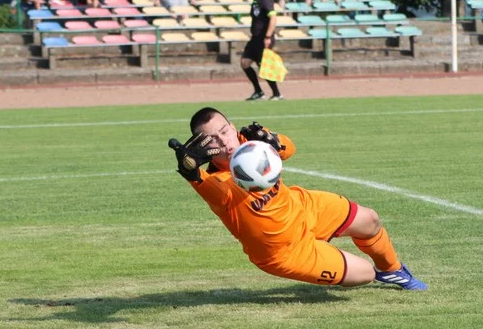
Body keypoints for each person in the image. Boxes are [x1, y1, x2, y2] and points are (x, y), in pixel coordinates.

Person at [168, 107, 427, 290]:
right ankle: (355, 266)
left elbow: (289, 149)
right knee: (366, 274)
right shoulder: (217, 181)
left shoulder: (250, 141)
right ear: (203, 146)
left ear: (233, 127)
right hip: (285, 252)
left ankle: (393, 270)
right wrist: (192, 175)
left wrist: (274, 141)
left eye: (225, 131)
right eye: (212, 139)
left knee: (370, 220)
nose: (224, 141)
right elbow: (211, 191)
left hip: (300, 206)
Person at [241, 0, 282, 101]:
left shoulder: (266, 0)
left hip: (264, 39)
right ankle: (258, 91)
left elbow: (273, 18)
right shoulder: (256, 0)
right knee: (245, 63)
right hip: (255, 39)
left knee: (263, 67)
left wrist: (268, 36)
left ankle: (277, 94)